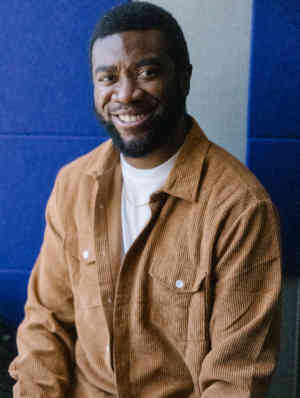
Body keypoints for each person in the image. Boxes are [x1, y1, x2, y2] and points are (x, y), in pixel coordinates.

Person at [9, 2, 281, 397]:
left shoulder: (240, 208)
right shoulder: (72, 185)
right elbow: (46, 323)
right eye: (108, 77)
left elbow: (236, 378)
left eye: (147, 72)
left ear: (183, 78)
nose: (126, 93)